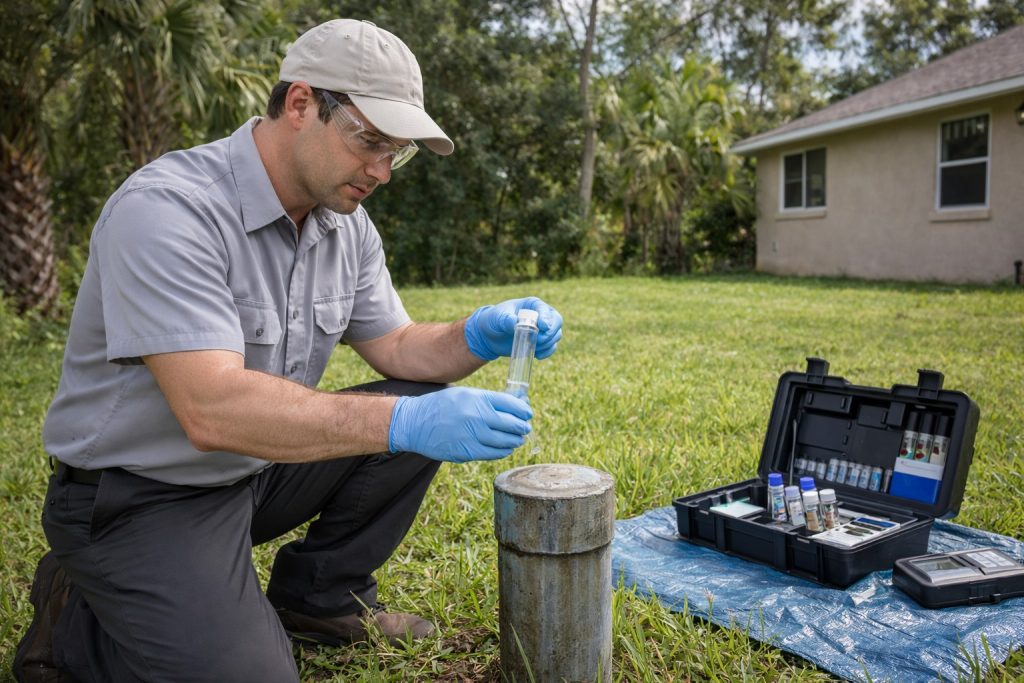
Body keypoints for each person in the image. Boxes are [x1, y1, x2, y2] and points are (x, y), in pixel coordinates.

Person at [12, 18, 562, 683]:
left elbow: (396, 346)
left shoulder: (343, 225)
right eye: (370, 142)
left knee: (420, 399)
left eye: (398, 152)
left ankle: (320, 599)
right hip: (139, 494)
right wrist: (398, 422)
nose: (383, 171)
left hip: (253, 470)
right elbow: (212, 408)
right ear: (301, 104)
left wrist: (477, 334)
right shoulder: (170, 210)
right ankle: (76, 618)